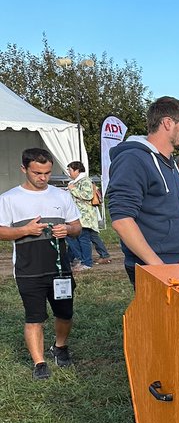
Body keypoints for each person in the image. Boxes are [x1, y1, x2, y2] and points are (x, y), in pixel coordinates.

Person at [0, 148, 82, 379]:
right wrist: (24, 230)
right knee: (34, 317)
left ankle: (60, 347)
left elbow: (77, 227)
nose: (42, 178)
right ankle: (39, 363)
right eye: (37, 172)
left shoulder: (61, 196)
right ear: (24, 169)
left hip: (60, 270)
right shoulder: (9, 199)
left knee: (65, 313)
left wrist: (67, 229)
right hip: (29, 270)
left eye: (46, 173)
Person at [107, 96, 179, 284]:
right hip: (156, 268)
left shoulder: (170, 162)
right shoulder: (133, 160)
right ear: (167, 123)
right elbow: (122, 221)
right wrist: (158, 268)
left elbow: (170, 211)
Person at [65, 161, 107, 270]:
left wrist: (72, 189)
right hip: (78, 216)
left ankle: (86, 262)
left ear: (77, 170)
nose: (68, 172)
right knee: (73, 238)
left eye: (70, 170)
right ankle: (77, 259)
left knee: (83, 239)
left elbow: (87, 195)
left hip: (85, 216)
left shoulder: (85, 181)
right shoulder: (76, 182)